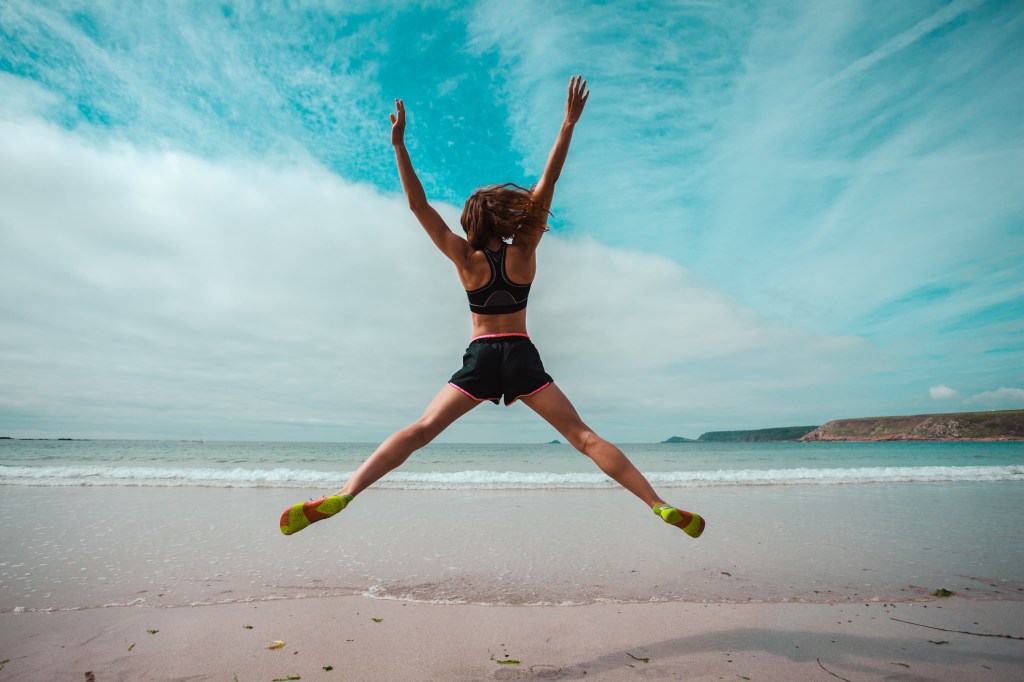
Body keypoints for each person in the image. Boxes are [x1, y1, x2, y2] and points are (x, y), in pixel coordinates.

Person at [280, 76, 704, 539]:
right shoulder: (523, 251)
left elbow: (418, 205)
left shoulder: (464, 258)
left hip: (482, 355)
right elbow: (549, 182)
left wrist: (399, 145)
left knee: (421, 430)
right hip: (520, 353)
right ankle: (658, 504)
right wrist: (567, 124)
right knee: (583, 437)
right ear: (502, 217)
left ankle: (347, 491)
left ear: (468, 222)